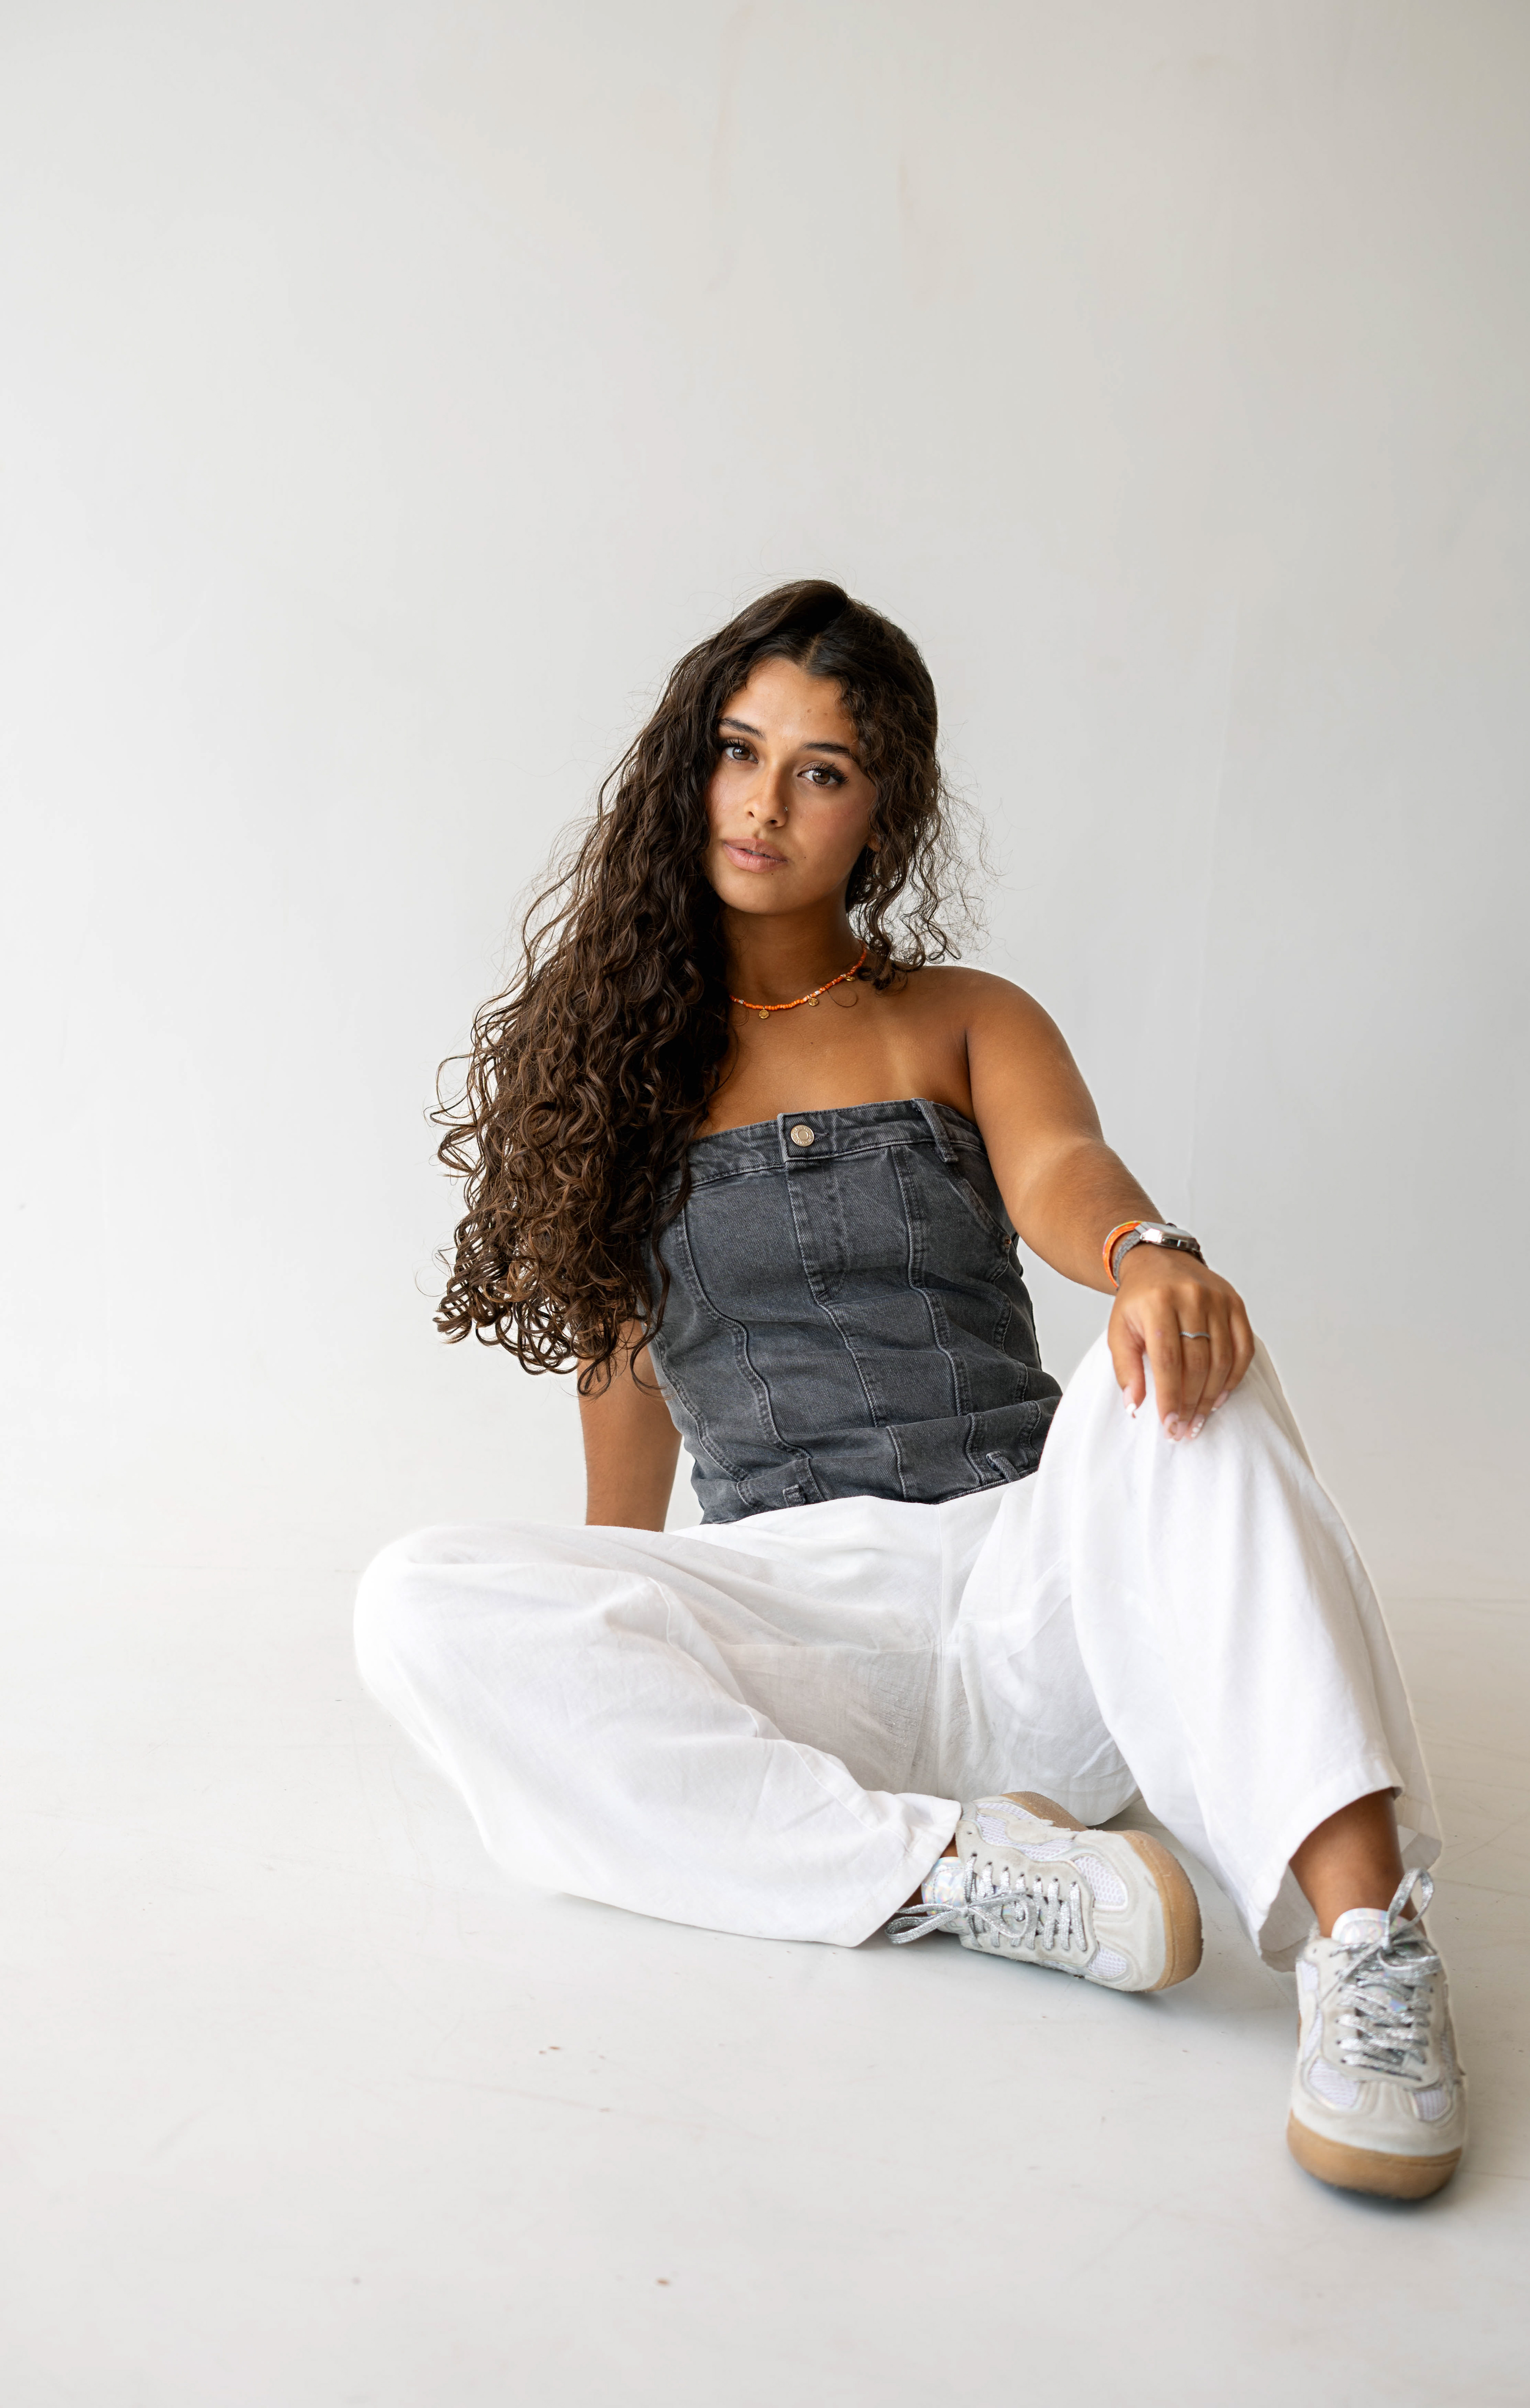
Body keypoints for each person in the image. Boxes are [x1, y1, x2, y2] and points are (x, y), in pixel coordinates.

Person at [355, 580, 1466, 2201]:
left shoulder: (962, 1019)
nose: (763, 802)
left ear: (883, 814)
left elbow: (1063, 1166)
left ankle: (1371, 1959)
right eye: (738, 752)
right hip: (811, 1633)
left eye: (821, 770)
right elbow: (622, 1370)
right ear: (686, 770)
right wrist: (618, 1613)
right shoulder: (610, 1075)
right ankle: (967, 1877)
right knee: (419, 1598)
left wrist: (1147, 1254)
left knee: (1187, 1360)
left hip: (1036, 1590)